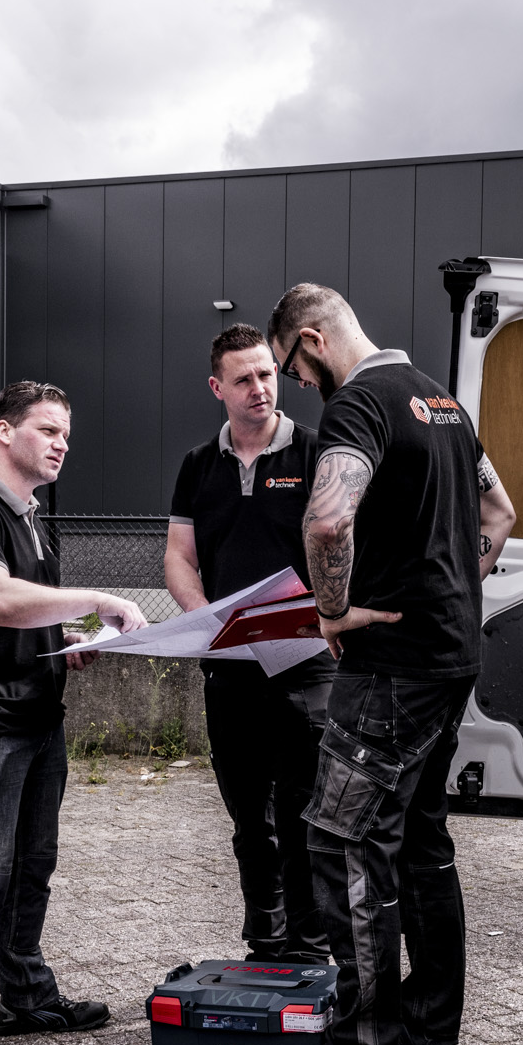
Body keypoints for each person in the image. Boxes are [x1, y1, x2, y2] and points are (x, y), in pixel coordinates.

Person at [246, 284, 517, 1045]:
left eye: (292, 368)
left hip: (391, 670)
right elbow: (501, 511)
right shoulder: (441, 402)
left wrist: (331, 612)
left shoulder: (360, 403)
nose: (298, 386)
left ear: (311, 339)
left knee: (345, 840)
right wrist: (452, 585)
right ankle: (431, 1024)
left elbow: (328, 522)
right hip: (450, 657)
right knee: (420, 836)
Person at [0, 380, 147, 1045]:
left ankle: (25, 998)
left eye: (66, 436)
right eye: (48, 430)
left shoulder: (34, 521)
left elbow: (26, 618)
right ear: (3, 431)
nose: (61, 445)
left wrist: (66, 642)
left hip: (39, 720)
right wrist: (99, 599)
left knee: (29, 871)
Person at [166, 325, 335, 962]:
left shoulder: (315, 452)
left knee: (302, 814)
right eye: (243, 379)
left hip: (307, 667)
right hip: (231, 668)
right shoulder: (197, 466)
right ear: (218, 388)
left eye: (267, 373)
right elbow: (179, 557)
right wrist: (206, 620)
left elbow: (343, 546)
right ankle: (265, 939)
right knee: (249, 820)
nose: (260, 387)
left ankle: (309, 947)